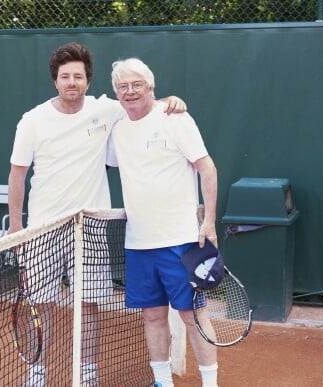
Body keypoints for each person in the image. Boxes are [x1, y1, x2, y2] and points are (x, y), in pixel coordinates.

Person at [7, 42, 187, 387]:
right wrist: (18, 229)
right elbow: (17, 175)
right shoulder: (32, 121)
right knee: (41, 306)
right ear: (55, 81)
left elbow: (139, 103)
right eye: (65, 77)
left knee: (88, 305)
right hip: (43, 229)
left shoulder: (104, 110)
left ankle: (87, 374)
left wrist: (170, 102)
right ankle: (36, 375)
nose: (71, 82)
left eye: (78, 76)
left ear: (87, 81)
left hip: (88, 228)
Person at [106, 57, 219, 387]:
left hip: (181, 240)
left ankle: (210, 384)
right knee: (153, 315)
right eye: (122, 86)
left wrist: (209, 222)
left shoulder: (176, 118)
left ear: (151, 87)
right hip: (139, 243)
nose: (130, 91)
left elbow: (207, 168)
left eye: (137, 84)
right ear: (115, 93)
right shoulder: (117, 129)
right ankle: (162, 382)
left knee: (193, 315)